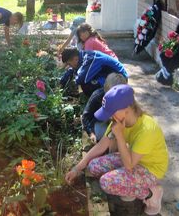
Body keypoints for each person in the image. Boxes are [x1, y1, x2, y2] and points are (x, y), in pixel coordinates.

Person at [65, 85, 168, 216]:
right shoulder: (118, 120)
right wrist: (77, 168)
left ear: (125, 109)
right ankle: (130, 189)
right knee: (93, 166)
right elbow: (101, 146)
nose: (109, 117)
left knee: (106, 182)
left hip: (151, 169)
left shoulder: (147, 129)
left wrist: (119, 135)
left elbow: (129, 166)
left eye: (111, 112)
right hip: (133, 158)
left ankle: (151, 193)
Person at [60, 47, 128, 97]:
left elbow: (81, 79)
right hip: (108, 76)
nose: (70, 66)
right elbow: (72, 70)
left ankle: (100, 106)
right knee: (85, 80)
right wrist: (61, 83)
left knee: (87, 84)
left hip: (119, 79)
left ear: (75, 59)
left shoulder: (90, 58)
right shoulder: (83, 56)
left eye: (69, 64)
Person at [82, 72, 128, 143]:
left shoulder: (126, 99)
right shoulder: (97, 96)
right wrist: (91, 133)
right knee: (100, 135)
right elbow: (85, 116)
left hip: (116, 123)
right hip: (101, 122)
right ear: (106, 89)